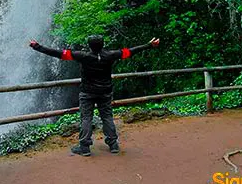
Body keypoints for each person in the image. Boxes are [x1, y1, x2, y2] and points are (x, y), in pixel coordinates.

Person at [29, 35, 160, 156]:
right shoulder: (111, 55)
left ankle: (84, 147)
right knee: (107, 117)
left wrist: (37, 46)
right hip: (105, 92)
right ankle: (113, 144)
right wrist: (148, 45)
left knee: (86, 118)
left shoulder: (82, 56)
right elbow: (130, 52)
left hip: (88, 92)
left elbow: (59, 54)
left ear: (89, 45)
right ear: (103, 44)